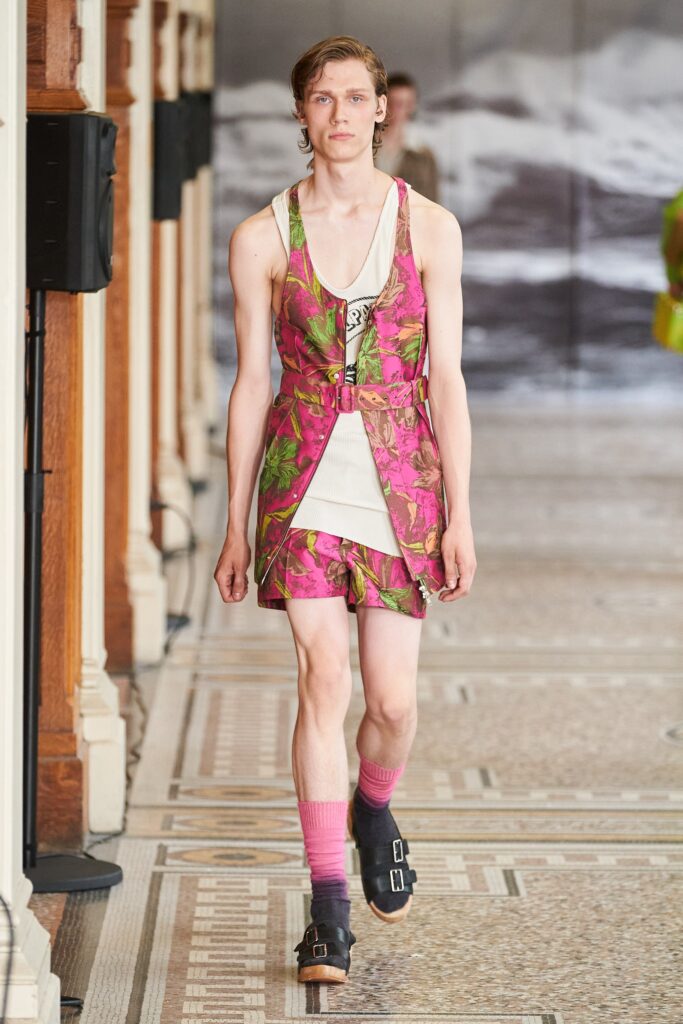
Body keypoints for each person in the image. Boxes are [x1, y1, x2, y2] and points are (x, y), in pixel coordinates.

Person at [214, 34, 476, 984]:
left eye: (353, 97)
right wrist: (235, 520)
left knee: (393, 705)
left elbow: (445, 379)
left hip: (402, 483)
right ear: (302, 114)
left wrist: (459, 513)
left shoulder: (431, 227)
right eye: (320, 99)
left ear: (379, 110)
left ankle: (375, 806)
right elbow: (251, 385)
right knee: (323, 681)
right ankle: (328, 909)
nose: (338, 114)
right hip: (302, 478)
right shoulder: (263, 236)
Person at [374, 71, 440, 203]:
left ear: (413, 106)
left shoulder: (424, 155)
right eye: (395, 102)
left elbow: (432, 203)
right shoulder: (363, 146)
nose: (399, 110)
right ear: (383, 103)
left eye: (406, 104)